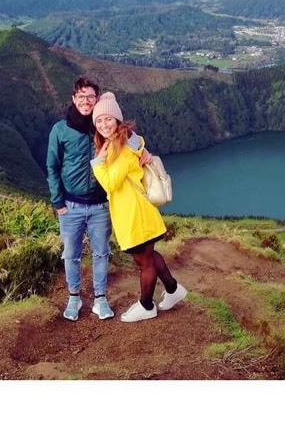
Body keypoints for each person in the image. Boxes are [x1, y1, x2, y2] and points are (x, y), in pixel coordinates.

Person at [46, 76, 151, 322]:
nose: (85, 101)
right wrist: (58, 202)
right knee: (70, 253)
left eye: (90, 96)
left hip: (101, 204)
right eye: (81, 96)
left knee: (101, 252)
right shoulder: (60, 130)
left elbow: (130, 135)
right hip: (70, 205)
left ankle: (100, 299)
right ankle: (74, 297)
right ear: (73, 99)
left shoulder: (102, 124)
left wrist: (143, 150)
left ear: (97, 99)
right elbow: (52, 167)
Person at [90, 92, 187, 322]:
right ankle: (173, 290)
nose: (104, 125)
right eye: (99, 121)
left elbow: (111, 183)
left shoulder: (121, 147)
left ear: (117, 120)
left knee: (144, 262)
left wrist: (97, 164)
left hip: (135, 214)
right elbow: (137, 145)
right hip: (136, 212)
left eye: (108, 119)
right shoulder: (121, 142)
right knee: (149, 257)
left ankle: (146, 305)